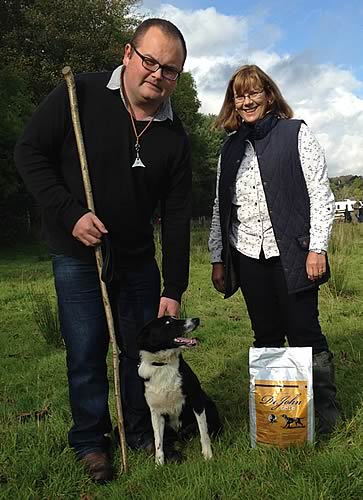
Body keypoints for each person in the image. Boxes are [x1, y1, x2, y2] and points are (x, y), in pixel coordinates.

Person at [15, 18, 191, 482]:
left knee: (145, 353)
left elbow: (176, 218)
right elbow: (29, 152)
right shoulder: (82, 95)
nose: (157, 74)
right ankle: (91, 442)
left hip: (137, 261)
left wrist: (173, 287)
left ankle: (140, 432)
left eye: (170, 70)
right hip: (79, 257)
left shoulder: (174, 136)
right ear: (128, 54)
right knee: (87, 348)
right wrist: (69, 213)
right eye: (150, 61)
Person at [208, 64, 340, 438]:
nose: (246, 101)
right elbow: (221, 206)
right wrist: (218, 257)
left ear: (268, 95)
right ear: (233, 102)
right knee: (265, 334)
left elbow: (320, 194)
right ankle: (277, 424)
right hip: (248, 254)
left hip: (294, 255)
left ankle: (325, 417)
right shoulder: (229, 147)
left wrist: (318, 248)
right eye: (239, 94)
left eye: (253, 93)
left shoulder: (296, 133)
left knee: (305, 333)